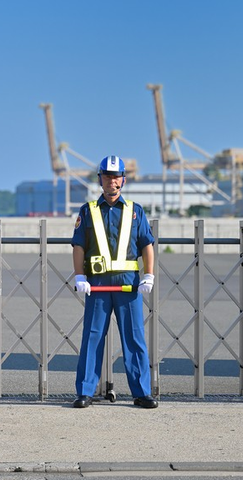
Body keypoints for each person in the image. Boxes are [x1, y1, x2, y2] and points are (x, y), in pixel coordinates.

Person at [70, 155, 158, 409]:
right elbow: (78, 246)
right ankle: (85, 392)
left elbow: (147, 244)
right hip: (97, 285)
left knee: (134, 338)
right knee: (92, 337)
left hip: (128, 285)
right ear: (100, 180)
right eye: (107, 177)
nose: (112, 181)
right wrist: (79, 276)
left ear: (123, 180)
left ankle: (141, 393)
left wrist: (149, 274)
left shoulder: (135, 211)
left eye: (116, 177)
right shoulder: (88, 211)